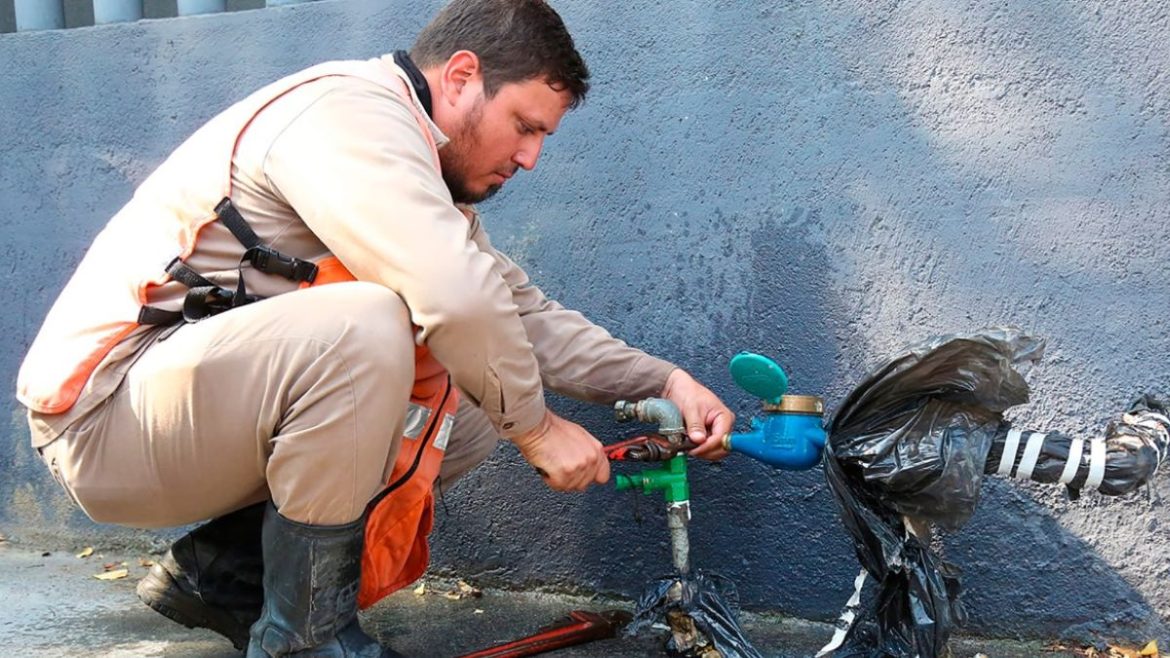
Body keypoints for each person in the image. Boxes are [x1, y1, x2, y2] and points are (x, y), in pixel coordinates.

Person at [16, 1, 734, 656]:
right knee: (370, 325)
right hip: (105, 418)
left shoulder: (410, 166)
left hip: (185, 416)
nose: (530, 157)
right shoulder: (346, 118)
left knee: (466, 408)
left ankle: (229, 576)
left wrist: (664, 381)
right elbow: (455, 300)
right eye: (525, 126)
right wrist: (540, 431)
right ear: (460, 77)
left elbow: (518, 315)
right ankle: (307, 639)